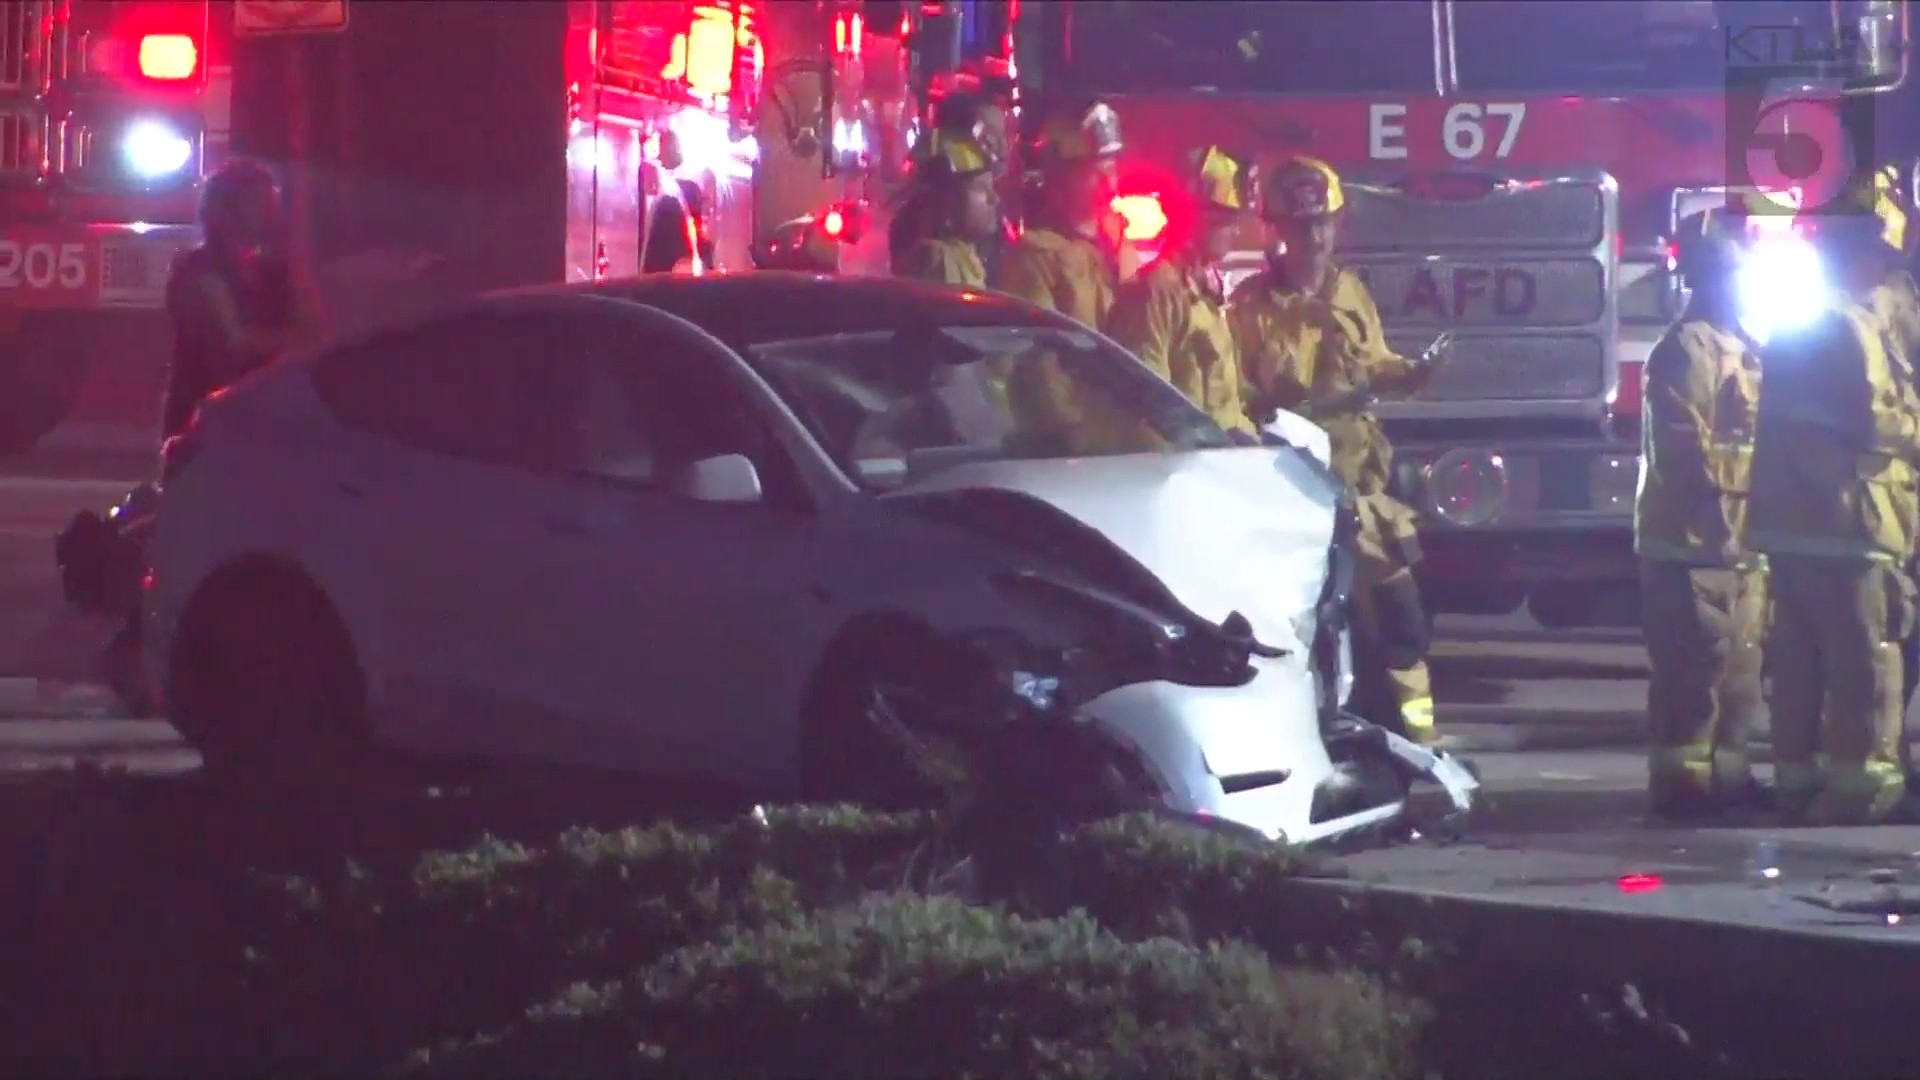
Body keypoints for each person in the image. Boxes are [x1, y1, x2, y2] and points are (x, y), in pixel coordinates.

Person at [1226, 155, 1448, 745]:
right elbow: (1241, 399)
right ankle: (1329, 742)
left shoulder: (1350, 291)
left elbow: (1373, 362)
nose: (1316, 238)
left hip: (1362, 491)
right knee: (1318, 631)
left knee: (1402, 623)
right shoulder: (1249, 309)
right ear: (1274, 230)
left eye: (1324, 224)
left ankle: (1418, 744)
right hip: (1296, 493)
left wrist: (1411, 373)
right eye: (1302, 227)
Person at [1748, 178, 1920, 825]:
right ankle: (1863, 791)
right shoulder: (1852, 325)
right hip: (1851, 524)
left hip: (1794, 527)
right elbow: (1876, 415)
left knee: (1796, 663)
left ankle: (1796, 783)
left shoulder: (1800, 321)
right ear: (1861, 252)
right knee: (1863, 664)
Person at [1632, 207, 1769, 819]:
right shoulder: (1684, 351)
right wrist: (1718, 526)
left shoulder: (1746, 348)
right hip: (1689, 547)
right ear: (1711, 277)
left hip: (1739, 547)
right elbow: (1684, 449)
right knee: (1693, 677)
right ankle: (1682, 790)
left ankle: (1729, 780)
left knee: (1740, 678)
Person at [1105, 145, 1257, 438]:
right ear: (1196, 219)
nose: (1235, 232)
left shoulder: (1207, 290)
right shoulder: (1157, 293)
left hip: (1228, 457)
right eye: (1226, 222)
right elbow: (1149, 401)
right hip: (1190, 465)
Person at [161, 159, 318, 441]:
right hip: (207, 427)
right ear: (230, 210)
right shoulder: (197, 271)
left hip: (263, 426)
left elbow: (309, 326)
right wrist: (293, 341)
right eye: (262, 204)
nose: (272, 214)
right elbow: (233, 344)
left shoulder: (272, 274)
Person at [890, 132, 999, 289]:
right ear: (946, 202)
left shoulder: (963, 254)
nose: (994, 198)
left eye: (992, 187)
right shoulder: (941, 264)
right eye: (981, 187)